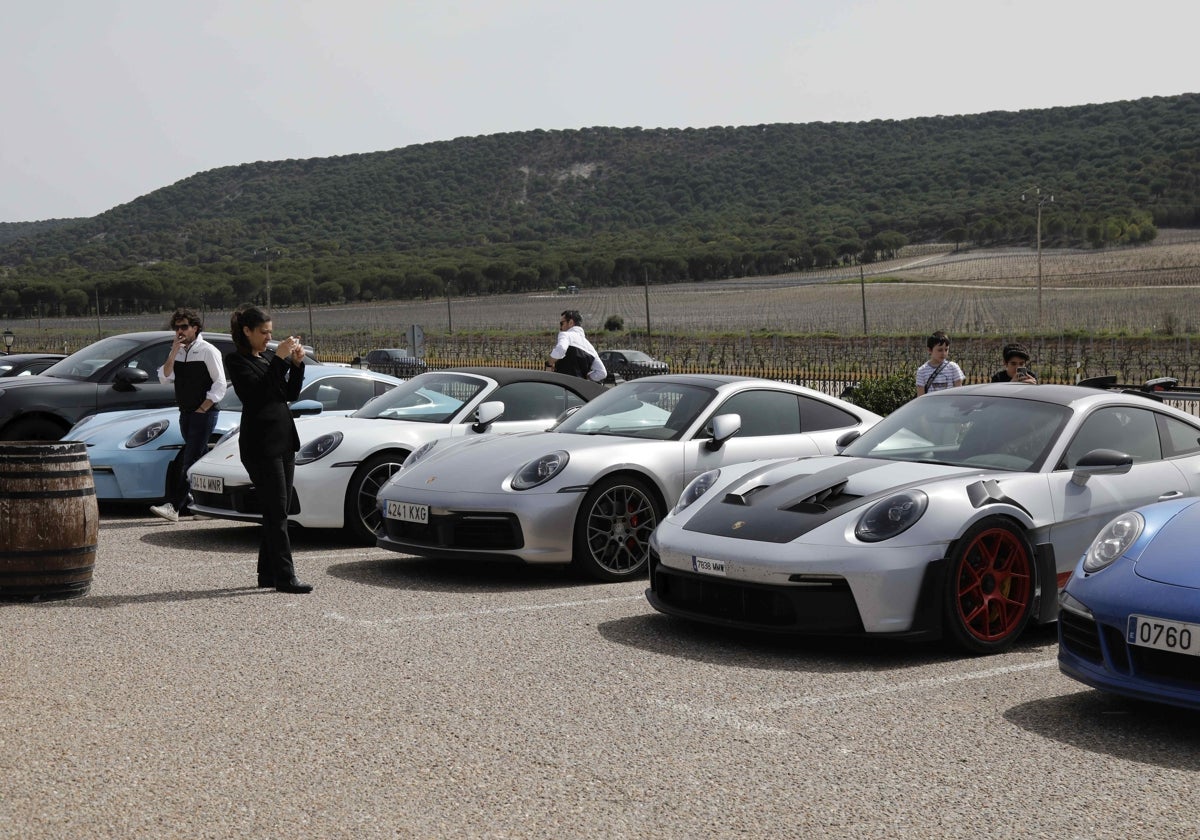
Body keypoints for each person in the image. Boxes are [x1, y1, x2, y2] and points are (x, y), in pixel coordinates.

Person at [225, 305, 313, 594]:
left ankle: (267, 573)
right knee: (276, 511)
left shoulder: (265, 359)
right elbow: (257, 395)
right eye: (263, 333)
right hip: (261, 445)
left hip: (284, 441)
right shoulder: (237, 361)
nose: (268, 337)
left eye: (271, 333)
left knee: (279, 510)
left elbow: (288, 394)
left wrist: (297, 364)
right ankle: (286, 577)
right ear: (246, 331)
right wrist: (279, 359)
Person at [149, 308, 228, 522]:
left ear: (195, 327)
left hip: (204, 412)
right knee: (201, 458)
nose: (180, 331)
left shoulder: (208, 350)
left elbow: (220, 384)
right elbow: (164, 377)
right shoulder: (179, 351)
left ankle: (174, 506)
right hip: (185, 412)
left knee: (190, 457)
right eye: (177, 327)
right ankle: (206, 506)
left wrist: (203, 407)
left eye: (184, 326)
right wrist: (174, 351)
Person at [546, 309, 606, 382]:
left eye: (562, 323)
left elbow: (561, 348)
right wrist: (586, 377)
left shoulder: (566, 335)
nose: (560, 328)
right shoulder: (590, 347)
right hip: (579, 390)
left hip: (564, 386)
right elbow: (602, 373)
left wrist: (549, 363)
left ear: (571, 322)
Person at [916, 330, 965, 395]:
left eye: (946, 349)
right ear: (929, 350)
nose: (943, 353)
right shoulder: (922, 371)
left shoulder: (953, 367)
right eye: (940, 350)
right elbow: (921, 397)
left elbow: (959, 393)